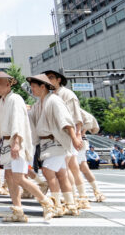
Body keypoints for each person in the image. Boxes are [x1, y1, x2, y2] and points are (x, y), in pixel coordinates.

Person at [0, 72, 55, 223]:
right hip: (6, 141)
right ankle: (18, 211)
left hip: (16, 140)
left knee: (19, 177)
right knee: (10, 177)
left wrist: (16, 142)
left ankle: (46, 202)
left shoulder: (15, 99)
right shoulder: (3, 101)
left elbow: (18, 121)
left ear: (9, 84)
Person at [27, 74, 82, 216]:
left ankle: (57, 204)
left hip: (56, 141)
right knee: (61, 174)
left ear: (43, 87)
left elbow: (66, 120)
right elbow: (30, 116)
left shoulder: (54, 100)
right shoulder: (39, 104)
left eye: (34, 86)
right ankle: (70, 204)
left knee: (47, 170)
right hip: (47, 142)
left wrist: (75, 137)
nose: (32, 89)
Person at [44, 70, 89, 209]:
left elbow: (76, 116)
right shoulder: (52, 95)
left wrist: (77, 135)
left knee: (68, 167)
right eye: (47, 78)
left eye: (51, 78)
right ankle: (77, 197)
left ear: (58, 79)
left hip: (68, 135)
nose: (49, 80)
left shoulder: (67, 94)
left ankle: (77, 198)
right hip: (60, 136)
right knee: (70, 167)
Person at [79, 108, 105, 201]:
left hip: (78, 141)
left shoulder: (74, 107)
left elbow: (89, 120)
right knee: (82, 167)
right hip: (79, 140)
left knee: (75, 168)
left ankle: (83, 194)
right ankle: (96, 192)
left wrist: (81, 132)